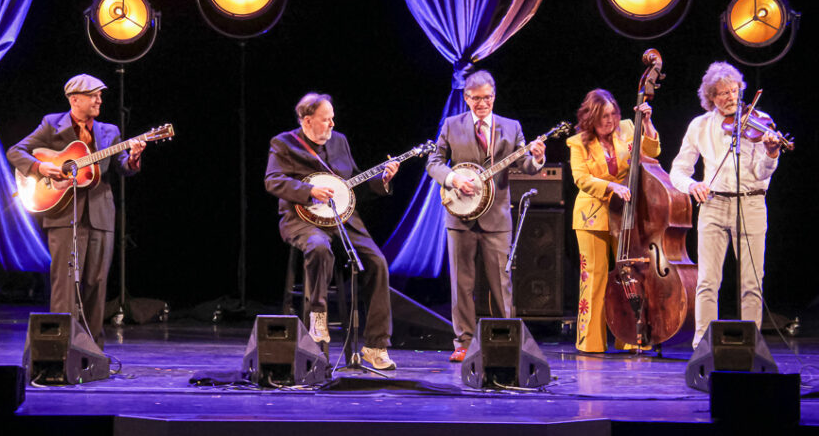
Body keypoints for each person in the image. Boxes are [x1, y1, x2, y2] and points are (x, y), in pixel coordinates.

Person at [264, 93, 399, 370]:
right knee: (318, 247)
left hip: (343, 219)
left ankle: (375, 346)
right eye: (326, 120)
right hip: (302, 219)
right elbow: (273, 180)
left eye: (332, 119)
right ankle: (318, 317)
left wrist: (382, 180)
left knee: (377, 262)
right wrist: (308, 190)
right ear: (307, 120)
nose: (331, 125)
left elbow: (354, 185)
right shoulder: (284, 143)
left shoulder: (340, 142)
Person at [7, 74, 144, 348]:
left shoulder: (109, 131)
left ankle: (92, 350)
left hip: (100, 214)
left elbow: (122, 168)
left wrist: (134, 157)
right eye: (94, 95)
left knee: (96, 282)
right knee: (65, 285)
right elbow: (16, 151)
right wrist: (40, 167)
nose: (99, 100)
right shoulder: (51, 124)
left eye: (100, 95)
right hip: (62, 214)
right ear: (74, 99)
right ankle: (58, 347)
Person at [426, 70, 545, 362]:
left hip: (496, 218)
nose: (482, 103)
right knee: (461, 285)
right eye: (476, 98)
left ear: (494, 96)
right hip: (460, 217)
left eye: (487, 98)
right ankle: (463, 343)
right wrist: (453, 179)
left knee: (501, 285)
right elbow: (434, 162)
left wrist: (538, 157)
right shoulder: (452, 125)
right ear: (466, 98)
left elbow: (526, 164)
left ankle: (506, 338)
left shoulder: (511, 126)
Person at [669, 62, 781, 349]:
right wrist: (693, 186)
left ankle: (752, 345)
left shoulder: (760, 121)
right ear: (711, 98)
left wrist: (770, 153)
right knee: (707, 281)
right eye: (722, 93)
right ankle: (703, 345)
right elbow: (678, 170)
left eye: (734, 91)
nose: (731, 97)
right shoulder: (700, 125)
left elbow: (760, 173)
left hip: (751, 204)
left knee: (752, 283)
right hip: (714, 205)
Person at [567, 89, 659, 353]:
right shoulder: (578, 143)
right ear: (591, 117)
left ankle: (630, 337)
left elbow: (653, 151)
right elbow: (581, 178)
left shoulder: (630, 128)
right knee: (593, 276)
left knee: (629, 275)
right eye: (603, 116)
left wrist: (648, 123)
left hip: (626, 214)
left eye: (613, 115)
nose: (609, 121)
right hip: (591, 216)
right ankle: (590, 341)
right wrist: (611, 187)